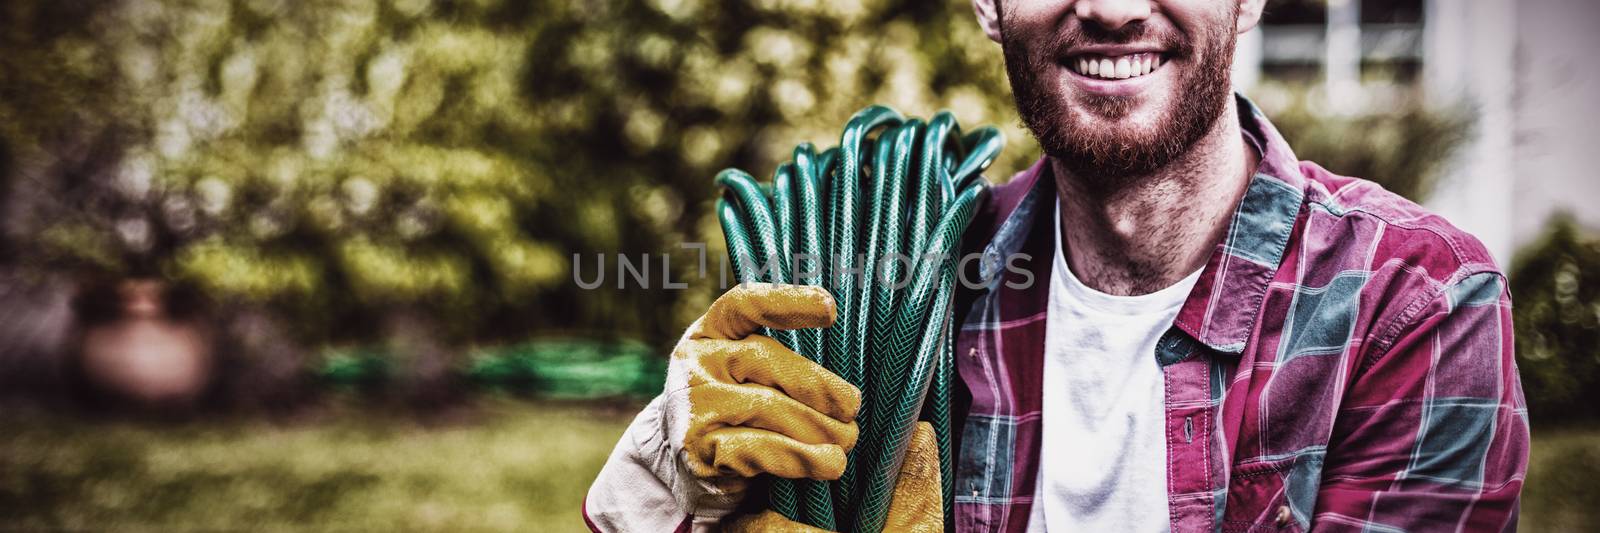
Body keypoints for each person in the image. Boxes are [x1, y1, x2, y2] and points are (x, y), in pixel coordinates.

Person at [584, 0, 1530, 531]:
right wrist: (677, 468)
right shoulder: (905, 288)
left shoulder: (1416, 302)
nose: (1114, 9)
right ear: (989, 6)